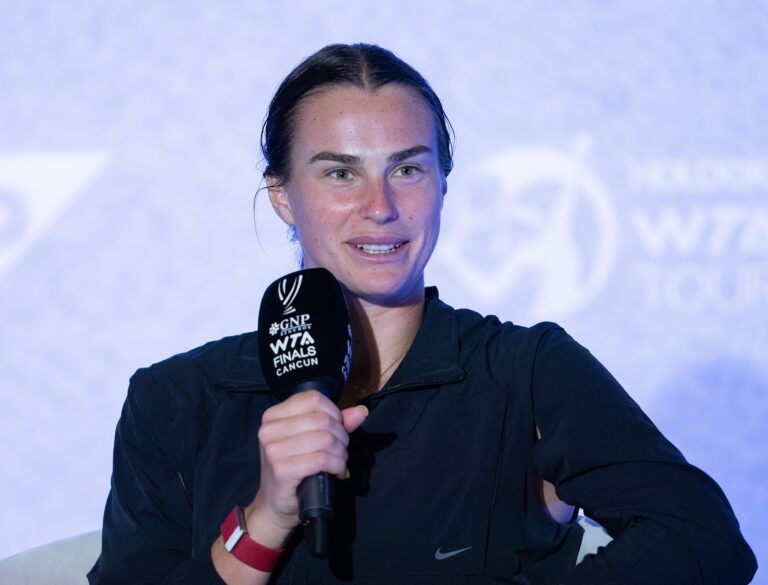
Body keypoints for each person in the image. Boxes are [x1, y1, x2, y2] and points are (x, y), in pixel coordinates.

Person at [88, 43, 757, 584]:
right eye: (340, 173)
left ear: (443, 182)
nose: (380, 206)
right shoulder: (176, 398)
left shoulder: (524, 372)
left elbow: (700, 538)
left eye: (407, 169)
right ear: (283, 196)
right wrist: (263, 520)